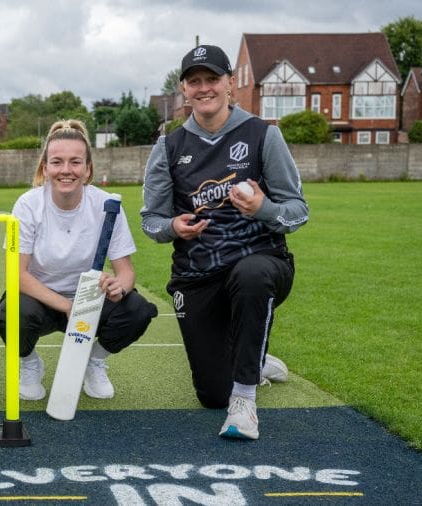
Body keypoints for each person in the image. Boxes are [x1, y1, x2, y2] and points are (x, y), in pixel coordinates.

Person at [141, 45, 309, 440]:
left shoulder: (264, 135)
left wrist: (264, 209)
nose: (204, 88)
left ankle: (245, 401)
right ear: (184, 89)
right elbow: (150, 220)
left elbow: (299, 211)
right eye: (194, 81)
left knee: (251, 274)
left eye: (212, 79)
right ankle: (254, 357)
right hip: (197, 276)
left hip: (261, 263)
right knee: (212, 394)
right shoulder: (169, 146)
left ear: (229, 83)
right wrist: (173, 228)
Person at [0, 119, 158, 402]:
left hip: (90, 299)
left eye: (75, 162)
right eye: (57, 162)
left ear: (88, 169)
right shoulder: (28, 205)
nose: (66, 170)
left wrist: (119, 286)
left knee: (138, 310)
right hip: (41, 301)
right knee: (13, 312)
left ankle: (93, 362)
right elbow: (16, 275)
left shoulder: (107, 205)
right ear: (45, 168)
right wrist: (68, 307)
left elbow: (126, 272)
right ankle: (30, 364)